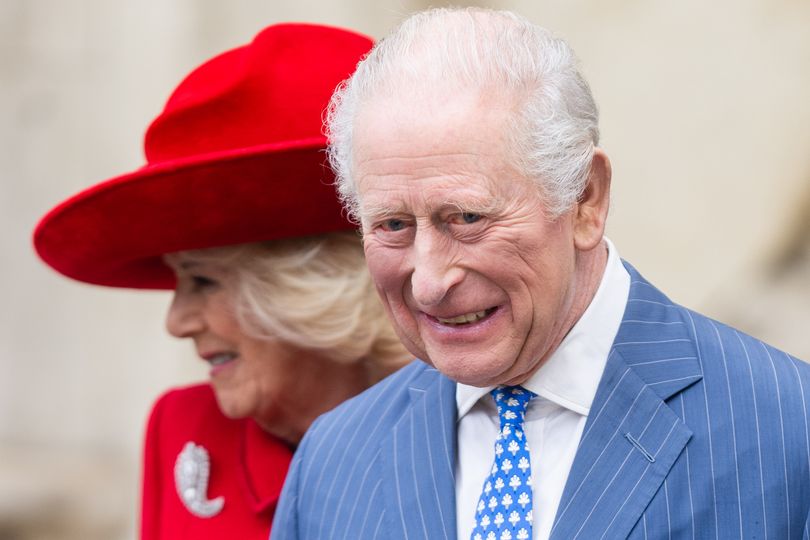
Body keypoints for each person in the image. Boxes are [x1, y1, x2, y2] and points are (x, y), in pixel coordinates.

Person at [270, 7, 810, 540]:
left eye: (467, 218)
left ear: (585, 200)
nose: (430, 282)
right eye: (392, 225)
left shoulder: (787, 428)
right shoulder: (333, 464)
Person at [33, 23, 409, 539]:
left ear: (322, 285)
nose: (176, 321)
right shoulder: (186, 432)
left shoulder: (475, 432)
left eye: (203, 281)